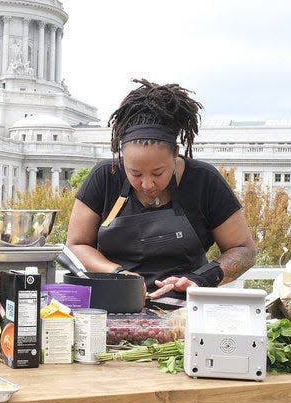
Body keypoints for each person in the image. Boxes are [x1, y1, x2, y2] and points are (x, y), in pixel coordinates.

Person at [67, 79, 256, 307]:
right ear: (121, 158)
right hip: (113, 307)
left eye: (158, 172)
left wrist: (202, 278)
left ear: (175, 154)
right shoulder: (104, 177)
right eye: (135, 173)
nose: (147, 184)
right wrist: (118, 274)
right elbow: (76, 245)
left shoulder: (204, 181)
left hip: (186, 310)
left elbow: (243, 250)